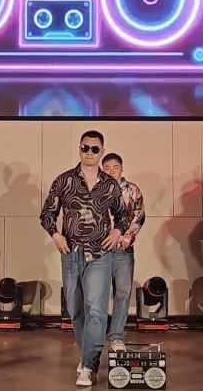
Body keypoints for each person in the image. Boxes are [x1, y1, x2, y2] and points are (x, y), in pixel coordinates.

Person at [40, 131, 130, 387]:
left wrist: (117, 231)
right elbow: (47, 213)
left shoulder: (110, 185)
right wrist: (55, 235)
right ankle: (86, 356)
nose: (89, 152)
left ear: (102, 151)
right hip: (70, 252)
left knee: (97, 310)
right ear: (79, 149)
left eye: (94, 149)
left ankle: (89, 365)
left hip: (100, 254)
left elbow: (123, 216)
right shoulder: (64, 180)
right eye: (85, 148)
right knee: (75, 309)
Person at [101, 153, 145, 353]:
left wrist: (128, 236)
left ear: (122, 169)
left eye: (115, 167)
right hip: (100, 249)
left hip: (123, 249)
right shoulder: (97, 188)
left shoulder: (132, 190)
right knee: (97, 293)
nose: (111, 171)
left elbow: (139, 215)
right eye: (107, 167)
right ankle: (99, 330)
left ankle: (117, 335)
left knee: (123, 292)